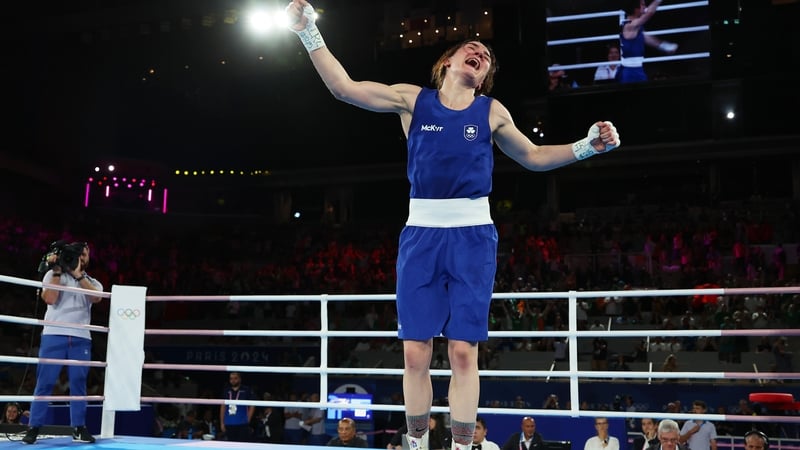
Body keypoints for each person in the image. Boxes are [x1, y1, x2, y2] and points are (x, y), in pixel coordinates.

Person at [284, 4, 621, 450]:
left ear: (482, 77)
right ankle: (418, 443)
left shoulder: (492, 111)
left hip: (472, 236)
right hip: (421, 233)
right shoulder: (410, 99)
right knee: (415, 352)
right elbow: (344, 88)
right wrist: (308, 31)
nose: (479, 51)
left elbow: (535, 157)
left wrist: (587, 146)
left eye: (485, 56)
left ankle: (463, 447)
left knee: (463, 352)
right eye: (471, 47)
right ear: (447, 62)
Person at [23, 241, 103, 445]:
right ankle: (34, 427)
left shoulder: (93, 281)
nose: (83, 258)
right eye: (80, 254)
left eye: (86, 254)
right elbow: (50, 298)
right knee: (45, 382)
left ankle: (78, 427)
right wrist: (58, 270)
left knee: (78, 383)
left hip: (81, 337)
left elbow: (96, 298)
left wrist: (78, 275)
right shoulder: (52, 275)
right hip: (54, 334)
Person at [619, 0, 679, 83]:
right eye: (642, 5)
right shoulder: (629, 25)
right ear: (636, 9)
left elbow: (648, 39)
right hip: (630, 71)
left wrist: (665, 46)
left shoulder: (637, 28)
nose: (645, 7)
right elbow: (649, 14)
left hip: (637, 69)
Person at [219, 371, 255, 442]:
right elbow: (223, 407)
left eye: (235, 378)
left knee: (241, 446)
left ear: (240, 379)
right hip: (229, 423)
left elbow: (253, 404)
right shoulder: (226, 390)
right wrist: (222, 423)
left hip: (242, 424)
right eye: (231, 378)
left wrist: (248, 419)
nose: (233, 380)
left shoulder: (246, 390)